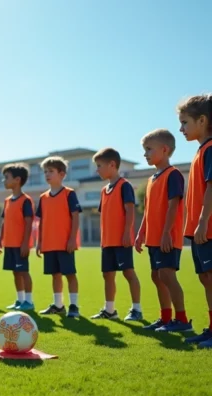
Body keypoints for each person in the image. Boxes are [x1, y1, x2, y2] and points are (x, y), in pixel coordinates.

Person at [135, 129, 192, 332]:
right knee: (156, 276)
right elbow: (148, 211)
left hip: (167, 237)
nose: (145, 154)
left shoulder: (173, 175)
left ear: (165, 149)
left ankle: (183, 320)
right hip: (153, 238)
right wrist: (141, 233)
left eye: (149, 149)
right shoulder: (151, 180)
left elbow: (173, 205)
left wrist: (167, 232)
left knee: (167, 275)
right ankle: (165, 318)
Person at [90, 148, 143, 321]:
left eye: (99, 166)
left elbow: (129, 210)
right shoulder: (104, 190)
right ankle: (110, 310)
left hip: (122, 240)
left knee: (128, 272)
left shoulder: (124, 186)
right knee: (108, 275)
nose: (97, 170)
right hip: (107, 242)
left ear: (112, 165)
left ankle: (136, 309)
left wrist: (128, 233)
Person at [177, 95, 212, 348]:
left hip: (207, 229)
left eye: (185, 122)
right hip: (199, 231)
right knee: (205, 278)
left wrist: (202, 222)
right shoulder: (200, 151)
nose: (181, 129)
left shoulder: (210, 150)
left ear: (202, 120)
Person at [35, 156, 81, 318]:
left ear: (61, 174)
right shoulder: (43, 197)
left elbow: (75, 217)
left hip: (65, 243)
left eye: (51, 171)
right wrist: (39, 242)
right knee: (55, 275)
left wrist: (72, 239)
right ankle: (58, 305)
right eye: (45, 171)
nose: (47, 174)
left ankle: (74, 306)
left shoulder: (69, 194)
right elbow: (41, 222)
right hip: (48, 244)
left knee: (70, 274)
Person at [0, 163, 35, 311]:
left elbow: (29, 222)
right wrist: (1, 241)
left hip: (20, 244)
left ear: (17, 180)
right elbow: (5, 222)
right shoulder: (7, 201)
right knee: (15, 272)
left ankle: (29, 302)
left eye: (6, 177)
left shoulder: (25, 200)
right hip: (9, 244)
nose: (3, 180)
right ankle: (20, 300)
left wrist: (25, 243)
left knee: (23, 272)